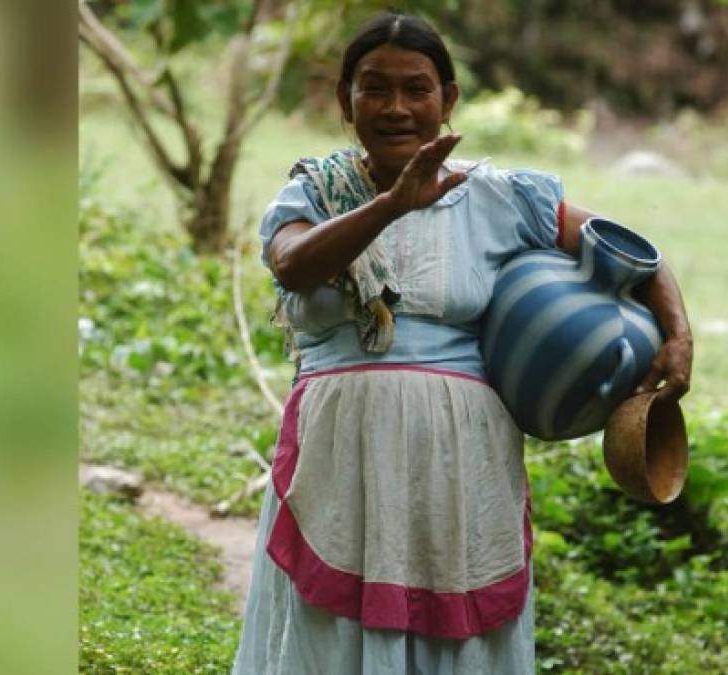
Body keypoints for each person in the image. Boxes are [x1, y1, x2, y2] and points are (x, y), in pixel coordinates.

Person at [233, 11, 693, 674]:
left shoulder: (497, 197)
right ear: (345, 100)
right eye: (374, 88)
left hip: (459, 460)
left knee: (456, 631)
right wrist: (392, 203)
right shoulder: (314, 192)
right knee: (330, 625)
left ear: (447, 99)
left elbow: (631, 254)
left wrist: (676, 333)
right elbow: (292, 264)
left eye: (416, 89)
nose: (396, 107)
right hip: (340, 453)